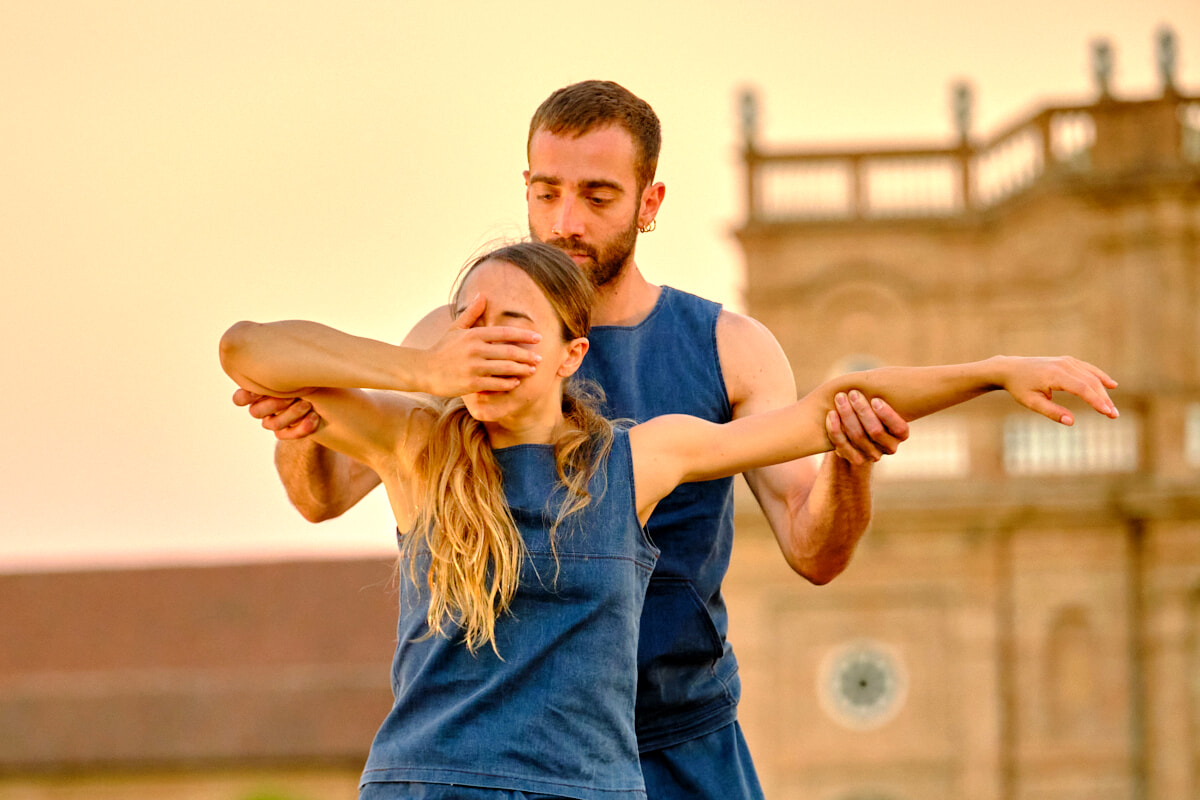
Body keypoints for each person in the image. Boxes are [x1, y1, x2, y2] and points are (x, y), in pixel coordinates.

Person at [220, 241, 1119, 800]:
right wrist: (422, 373)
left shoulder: (641, 457)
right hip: (437, 783)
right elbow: (248, 347)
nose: (483, 337)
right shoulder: (419, 449)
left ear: (574, 351)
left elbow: (829, 405)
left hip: (595, 788)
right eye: (469, 321)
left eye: (510, 323)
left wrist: (997, 368)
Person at [235, 81, 908, 798]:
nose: (565, 222)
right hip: (519, 750)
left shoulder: (729, 348)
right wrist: (304, 422)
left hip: (685, 738)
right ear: (525, 189)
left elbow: (815, 550)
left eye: (597, 196)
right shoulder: (457, 337)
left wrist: (852, 461)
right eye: (547, 192)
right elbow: (322, 495)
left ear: (649, 205)